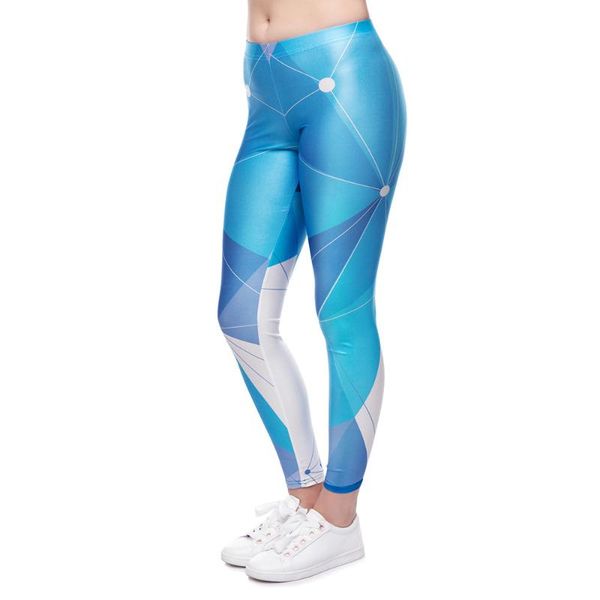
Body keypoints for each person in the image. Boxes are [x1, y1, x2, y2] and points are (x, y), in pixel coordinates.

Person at [217, 0, 407, 582]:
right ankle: (306, 500)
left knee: (341, 308)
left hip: (344, 75)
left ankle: (340, 518)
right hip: (264, 84)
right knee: (241, 316)